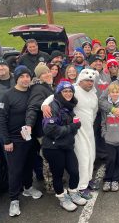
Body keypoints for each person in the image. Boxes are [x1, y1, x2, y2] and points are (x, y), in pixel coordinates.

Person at [0, 65, 43, 217]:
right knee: (15, 171)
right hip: (14, 140)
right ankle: (14, 200)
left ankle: (28, 188)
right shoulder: (7, 95)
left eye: (27, 76)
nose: (25, 79)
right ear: (16, 78)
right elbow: (0, 119)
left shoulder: (32, 92)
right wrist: (6, 141)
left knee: (28, 165)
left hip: (29, 139)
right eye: (22, 76)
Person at [42, 81, 87, 211]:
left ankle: (73, 192)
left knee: (74, 171)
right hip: (53, 148)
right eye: (65, 91)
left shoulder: (68, 106)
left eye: (70, 91)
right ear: (59, 93)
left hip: (66, 145)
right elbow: (50, 130)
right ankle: (63, 198)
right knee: (58, 174)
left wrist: (73, 127)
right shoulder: (53, 106)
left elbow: (67, 127)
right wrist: (72, 127)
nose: (68, 93)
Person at [25, 63, 54, 190]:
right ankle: (50, 184)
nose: (47, 74)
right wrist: (29, 125)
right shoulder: (38, 89)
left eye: (48, 72)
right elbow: (32, 107)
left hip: (49, 128)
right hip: (43, 131)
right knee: (48, 157)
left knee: (51, 156)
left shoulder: (46, 86)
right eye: (43, 73)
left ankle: (53, 179)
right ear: (39, 76)